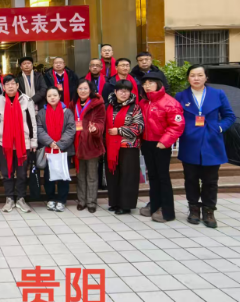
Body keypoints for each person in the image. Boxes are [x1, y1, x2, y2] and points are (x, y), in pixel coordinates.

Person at [176, 64, 235, 228]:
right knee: (191, 179)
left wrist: (219, 128)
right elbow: (175, 117)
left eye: (200, 75)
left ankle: (209, 211)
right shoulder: (181, 96)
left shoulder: (218, 94)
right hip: (190, 142)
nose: (196, 78)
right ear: (188, 78)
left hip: (212, 142)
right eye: (192, 75)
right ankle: (194, 209)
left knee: (210, 180)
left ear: (206, 77)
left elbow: (229, 116)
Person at [138, 72, 185, 223]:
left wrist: (165, 141)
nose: (147, 86)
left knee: (163, 177)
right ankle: (155, 204)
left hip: (161, 144)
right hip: (146, 143)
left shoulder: (170, 102)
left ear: (159, 84)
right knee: (152, 176)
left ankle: (167, 211)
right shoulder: (143, 102)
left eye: (150, 83)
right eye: (145, 83)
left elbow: (177, 125)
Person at [0, 75, 37, 213]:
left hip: (24, 143)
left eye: (13, 83)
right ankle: (9, 198)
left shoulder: (27, 100)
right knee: (7, 173)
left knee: (22, 173)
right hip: (4, 143)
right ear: (3, 87)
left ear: (18, 86)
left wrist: (34, 141)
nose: (10, 86)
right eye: (7, 84)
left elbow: (32, 122)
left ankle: (21, 199)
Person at [104, 80, 144, 215]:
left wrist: (119, 130)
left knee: (128, 176)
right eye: (121, 90)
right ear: (115, 92)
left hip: (128, 147)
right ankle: (115, 202)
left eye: (126, 91)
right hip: (111, 147)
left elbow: (139, 127)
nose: (123, 93)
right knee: (113, 175)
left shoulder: (135, 108)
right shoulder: (107, 106)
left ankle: (126, 205)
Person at [37, 87, 76, 212]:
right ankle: (51, 199)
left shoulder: (67, 112)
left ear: (59, 96)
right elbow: (39, 129)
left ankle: (62, 200)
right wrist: (50, 142)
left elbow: (71, 129)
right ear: (46, 98)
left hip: (63, 149)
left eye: (55, 95)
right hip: (49, 149)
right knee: (48, 176)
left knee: (63, 175)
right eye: (49, 96)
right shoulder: (42, 112)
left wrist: (60, 144)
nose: (52, 98)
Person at [72, 79, 105, 213]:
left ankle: (91, 202)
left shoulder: (97, 104)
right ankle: (82, 201)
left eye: (85, 88)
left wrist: (95, 129)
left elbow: (101, 122)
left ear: (90, 90)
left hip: (92, 144)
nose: (83, 91)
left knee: (92, 175)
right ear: (76, 90)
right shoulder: (73, 104)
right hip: (77, 144)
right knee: (80, 175)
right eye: (80, 88)